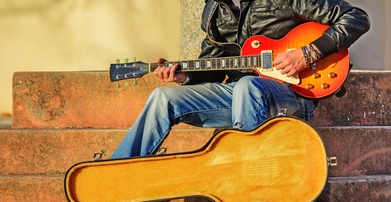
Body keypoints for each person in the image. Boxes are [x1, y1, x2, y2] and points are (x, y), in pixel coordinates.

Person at [110, 0, 370, 159]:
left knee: (248, 86)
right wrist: (185, 76)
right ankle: (112, 177)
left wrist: (307, 53)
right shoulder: (214, 10)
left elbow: (357, 18)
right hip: (239, 94)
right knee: (163, 97)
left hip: (294, 94)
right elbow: (213, 65)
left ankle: (246, 177)